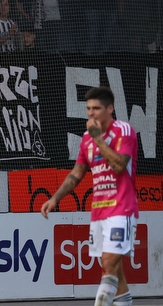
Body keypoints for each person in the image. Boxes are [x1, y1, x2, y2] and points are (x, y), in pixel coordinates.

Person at [40, 86, 138, 306]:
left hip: (121, 208)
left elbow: (119, 165)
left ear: (110, 108)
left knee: (109, 266)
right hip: (99, 211)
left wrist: (99, 139)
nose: (91, 113)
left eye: (96, 108)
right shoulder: (86, 139)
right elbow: (77, 173)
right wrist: (55, 198)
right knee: (115, 273)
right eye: (88, 109)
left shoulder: (124, 131)